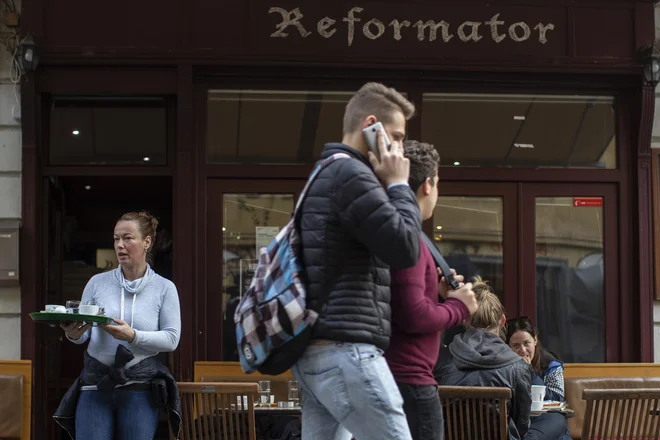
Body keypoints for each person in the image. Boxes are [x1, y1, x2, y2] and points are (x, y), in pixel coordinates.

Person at [293, 82, 423, 440]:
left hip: (316, 353)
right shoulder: (351, 175)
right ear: (371, 126)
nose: (399, 148)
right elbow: (405, 248)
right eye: (395, 136)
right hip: (347, 353)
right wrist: (399, 185)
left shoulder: (325, 173)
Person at [54, 211, 182, 440]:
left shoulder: (165, 288)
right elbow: (84, 333)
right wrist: (73, 334)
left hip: (140, 390)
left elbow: (172, 339)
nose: (120, 245)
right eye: (116, 239)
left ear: (147, 242)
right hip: (95, 388)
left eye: (127, 238)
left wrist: (133, 336)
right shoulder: (97, 283)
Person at [384, 139, 479, 440]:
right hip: (410, 380)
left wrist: (436, 293)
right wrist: (458, 307)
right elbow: (413, 316)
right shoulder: (409, 234)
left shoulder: (393, 229)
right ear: (427, 185)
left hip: (394, 376)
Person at [436, 277, 532, 440]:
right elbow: (522, 425)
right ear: (502, 321)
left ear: (465, 320)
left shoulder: (440, 361)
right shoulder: (518, 367)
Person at [507, 317, 571, 440]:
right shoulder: (505, 366)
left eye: (526, 343)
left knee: (558, 420)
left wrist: (530, 372)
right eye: (516, 346)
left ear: (535, 340)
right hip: (519, 421)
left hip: (546, 421)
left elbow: (557, 399)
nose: (523, 350)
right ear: (508, 347)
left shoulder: (551, 364)